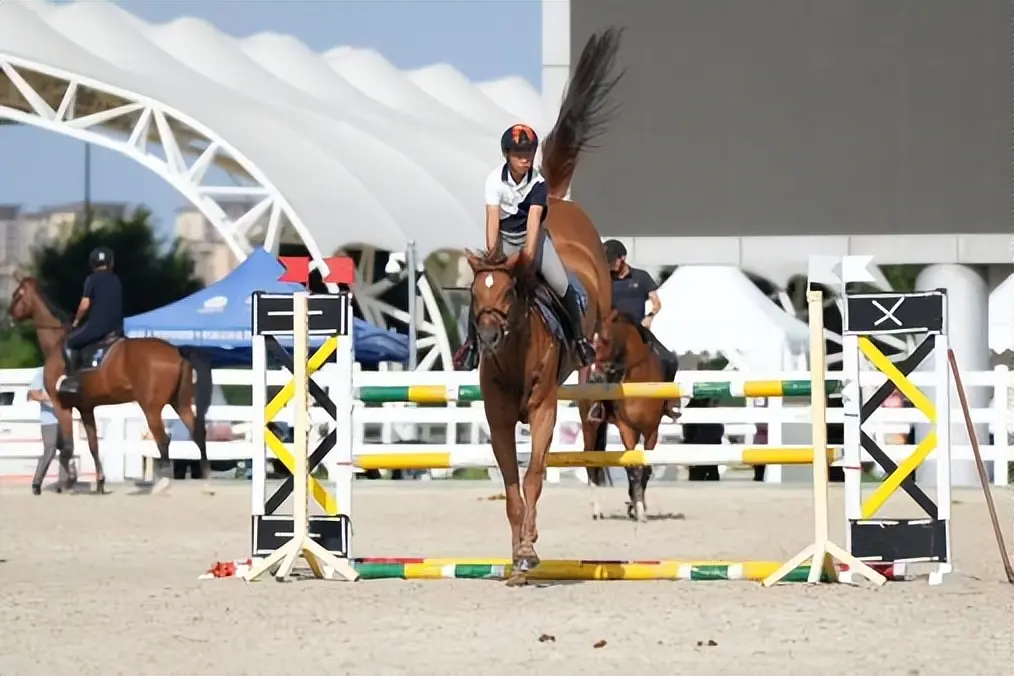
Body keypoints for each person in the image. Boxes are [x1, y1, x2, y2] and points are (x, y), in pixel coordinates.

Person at [455, 123, 596, 370]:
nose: (525, 159)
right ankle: (472, 345)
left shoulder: (538, 183)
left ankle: (580, 341)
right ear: (507, 154)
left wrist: (528, 257)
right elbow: (492, 220)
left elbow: (533, 222)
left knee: (562, 284)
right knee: (483, 286)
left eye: (529, 153)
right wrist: (493, 257)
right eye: (519, 154)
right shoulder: (494, 181)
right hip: (505, 239)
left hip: (534, 240)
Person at [603, 238, 680, 386]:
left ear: (622, 258)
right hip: (615, 331)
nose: (609, 264)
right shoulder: (606, 280)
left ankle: (667, 396)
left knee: (670, 359)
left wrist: (649, 317)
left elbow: (656, 303)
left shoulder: (641, 277)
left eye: (612, 260)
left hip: (638, 328)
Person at [60, 246, 124, 395]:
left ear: (93, 263)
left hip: (98, 327)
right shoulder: (116, 279)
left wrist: (76, 321)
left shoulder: (92, 279)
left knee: (69, 343)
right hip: (117, 329)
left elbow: (85, 305)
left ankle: (72, 381)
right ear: (110, 262)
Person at [28, 367, 75, 494]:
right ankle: (37, 482)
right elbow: (33, 394)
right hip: (49, 420)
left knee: (67, 449)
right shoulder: (41, 373)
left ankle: (63, 484)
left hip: (64, 419)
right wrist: (50, 399)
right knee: (50, 450)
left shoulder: (67, 373)